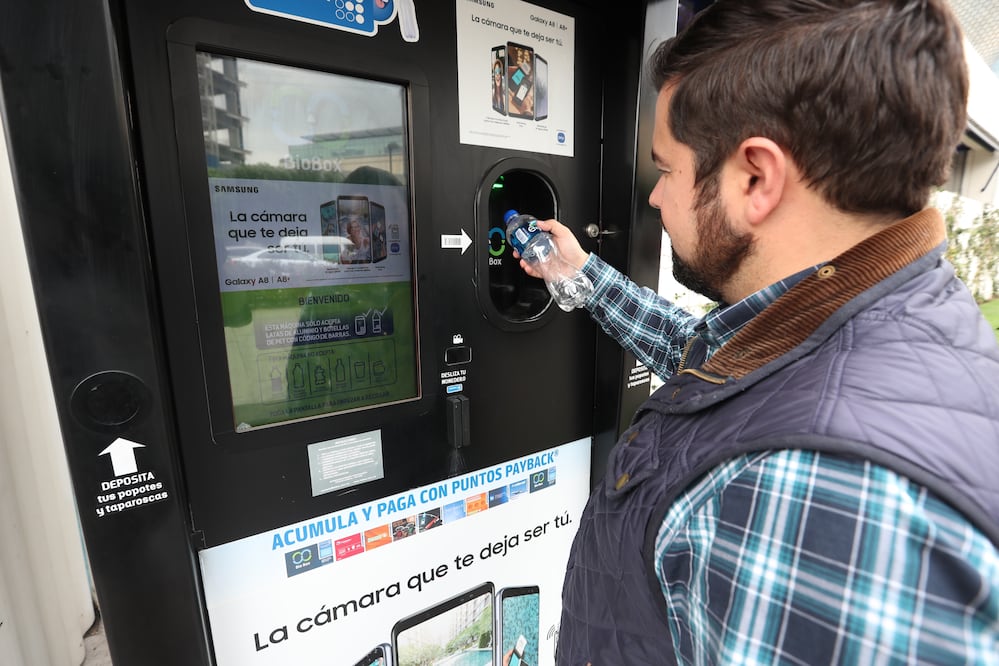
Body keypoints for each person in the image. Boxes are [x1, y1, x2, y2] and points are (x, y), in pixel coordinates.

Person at [516, 1, 999, 663]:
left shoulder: (810, 488)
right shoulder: (891, 314)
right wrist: (584, 277)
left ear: (756, 177)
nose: (655, 199)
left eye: (665, 170)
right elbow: (722, 371)